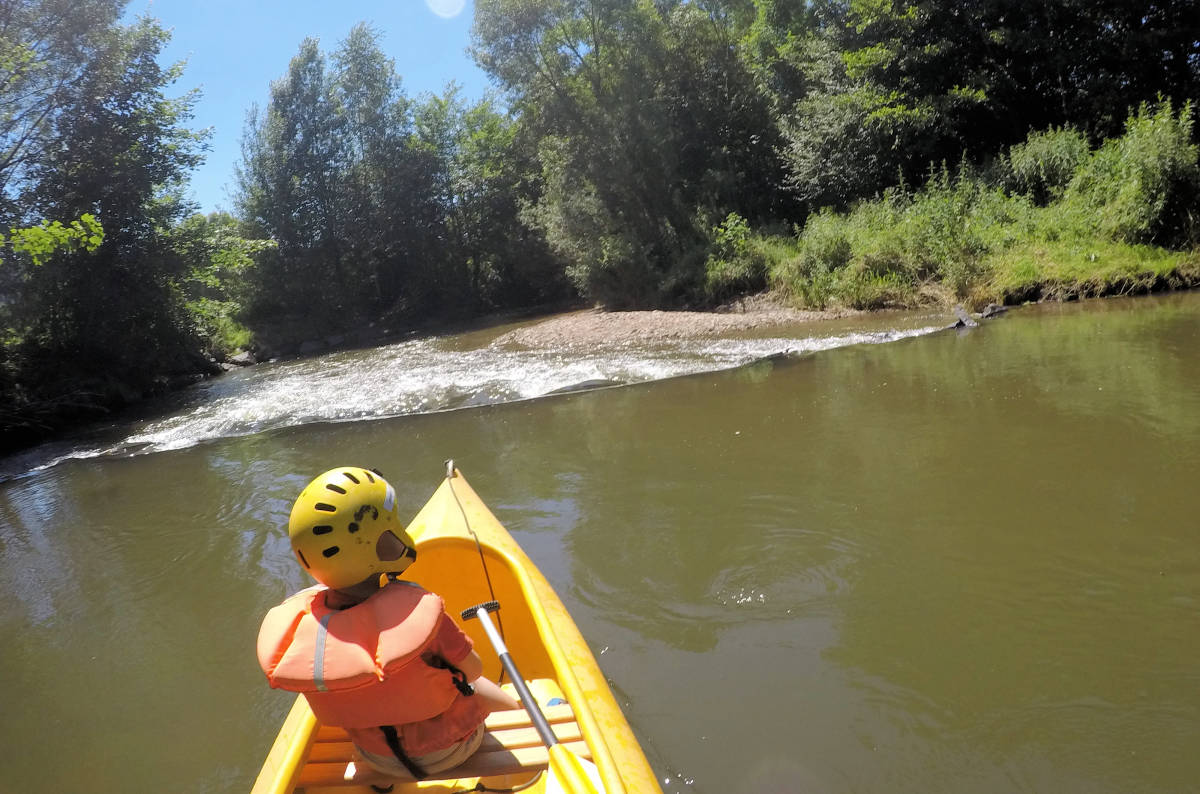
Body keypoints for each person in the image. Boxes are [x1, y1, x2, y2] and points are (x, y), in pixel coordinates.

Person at [256, 466, 519, 781]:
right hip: (451, 749)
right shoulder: (419, 615)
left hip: (376, 757)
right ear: (382, 542)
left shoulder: (306, 629)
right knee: (476, 684)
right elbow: (472, 670)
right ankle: (520, 712)